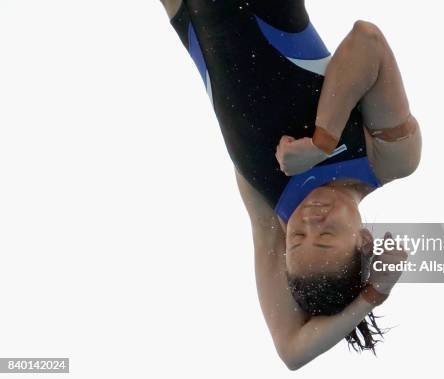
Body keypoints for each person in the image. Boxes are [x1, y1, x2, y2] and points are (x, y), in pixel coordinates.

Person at [160, 0, 421, 369]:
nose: (310, 223)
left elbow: (291, 352)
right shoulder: (388, 160)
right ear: (364, 240)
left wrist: (373, 295)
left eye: (296, 239)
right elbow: (367, 40)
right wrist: (322, 142)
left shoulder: (271, 214)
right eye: (327, 237)